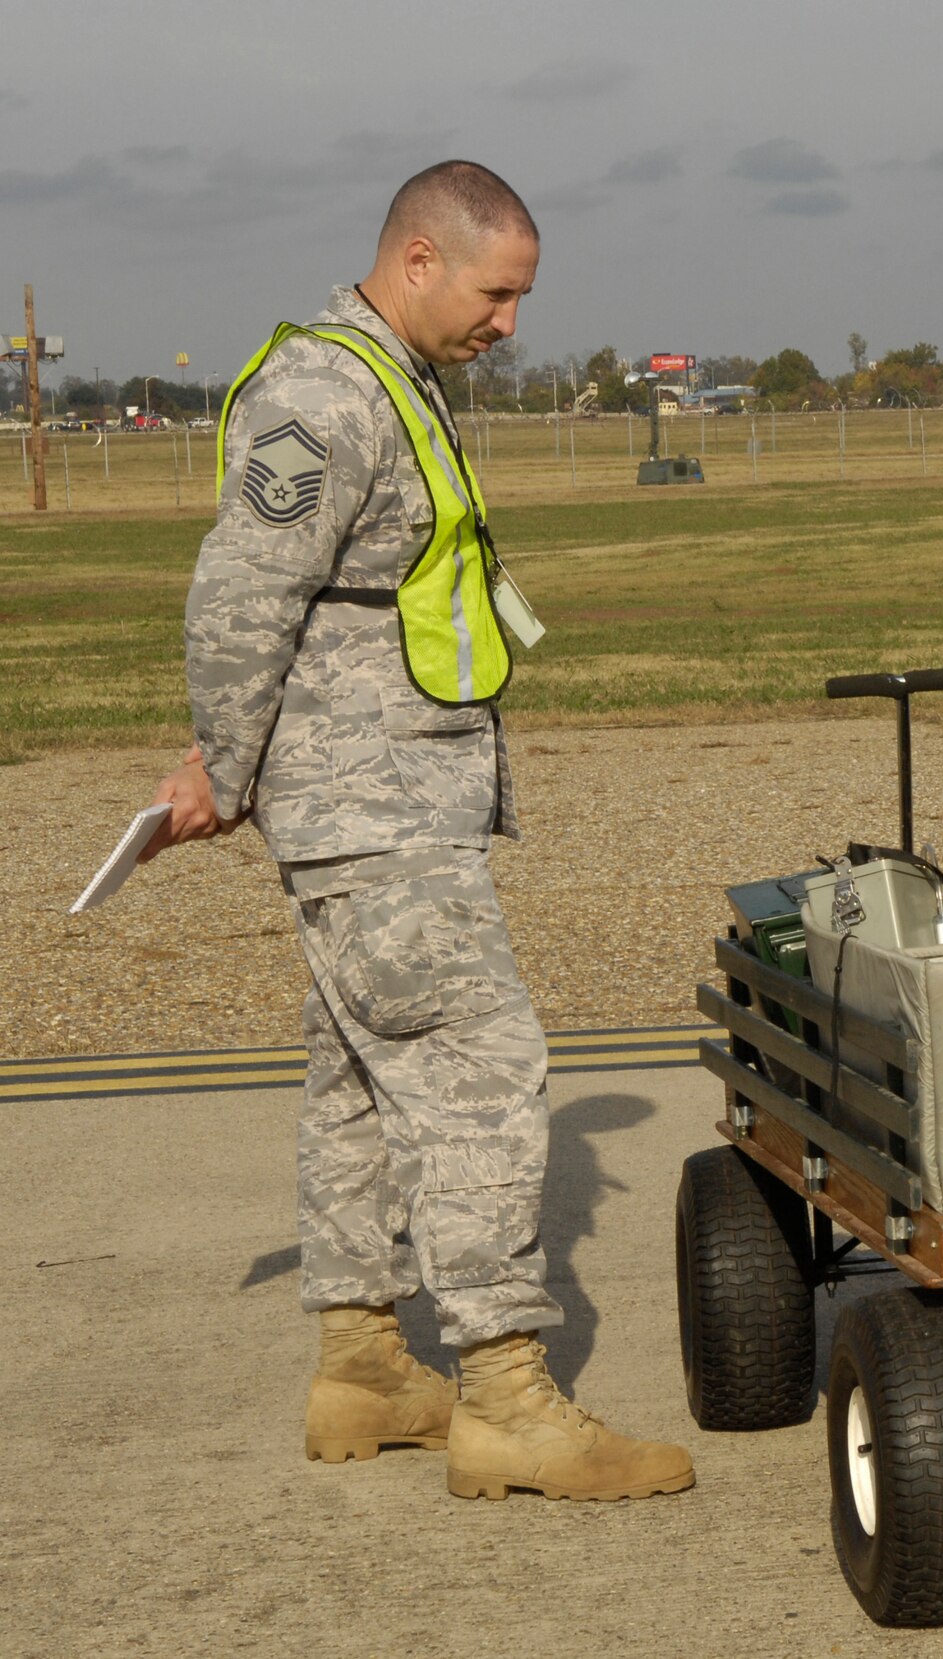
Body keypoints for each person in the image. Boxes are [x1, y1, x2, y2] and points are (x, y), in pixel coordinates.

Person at [143, 160, 694, 1504]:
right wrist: (222, 758)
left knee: (358, 1080)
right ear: (420, 258)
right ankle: (505, 1393)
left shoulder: (401, 382)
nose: (511, 321)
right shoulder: (326, 393)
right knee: (479, 1066)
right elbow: (239, 591)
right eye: (499, 291)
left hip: (383, 800)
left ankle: (364, 1363)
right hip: (372, 812)